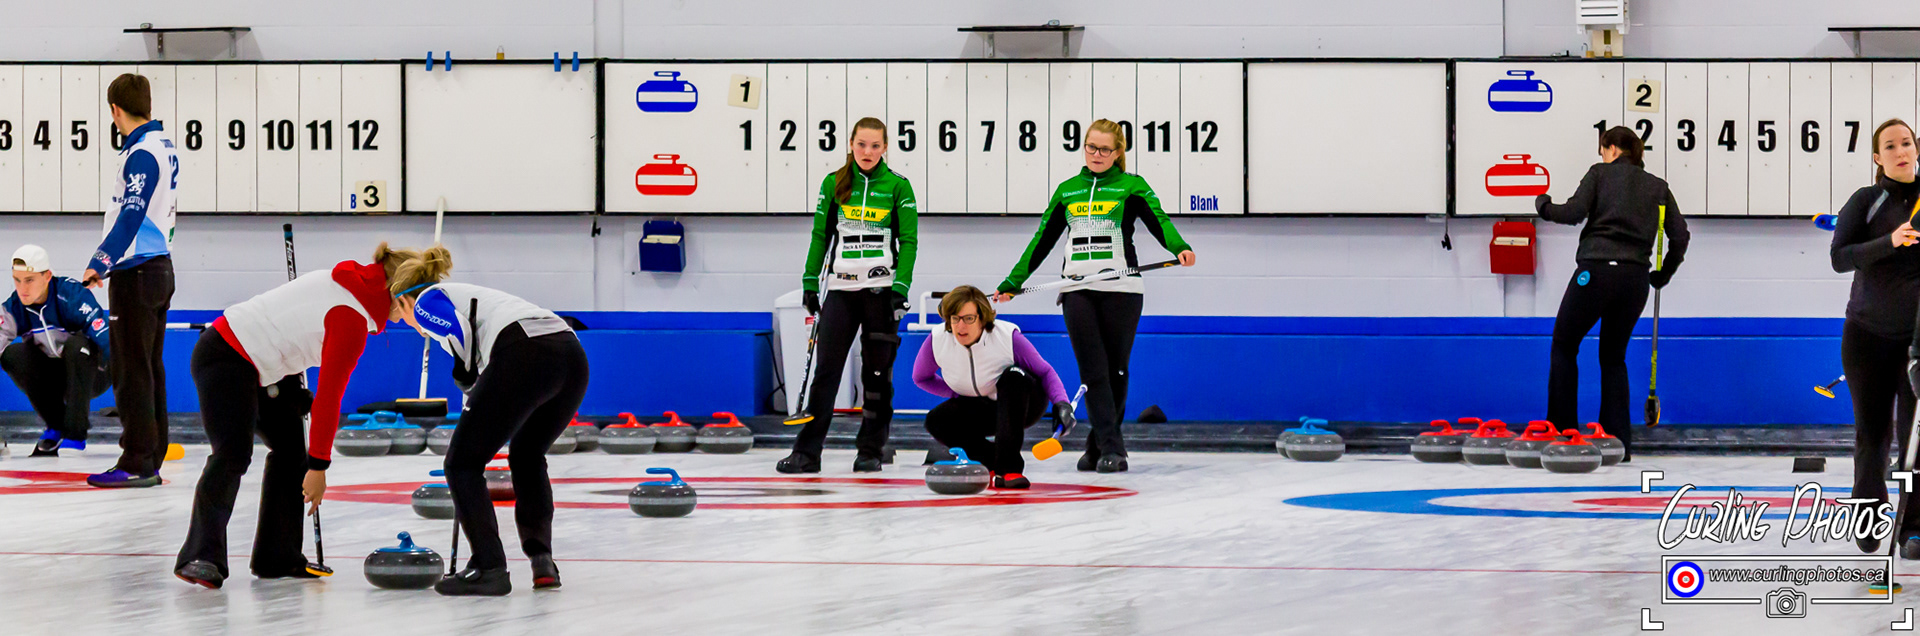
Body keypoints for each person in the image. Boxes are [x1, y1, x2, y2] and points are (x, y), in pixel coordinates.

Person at [174, 243, 422, 589]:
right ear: (399, 295)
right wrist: (319, 468)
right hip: (226, 354)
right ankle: (199, 556)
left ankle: (277, 556)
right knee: (233, 453)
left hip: (269, 368)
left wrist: (294, 397)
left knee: (291, 453)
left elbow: (292, 336)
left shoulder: (353, 291)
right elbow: (329, 400)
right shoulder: (350, 317)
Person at [993, 119, 1196, 473]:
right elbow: (1042, 240)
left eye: (1104, 149)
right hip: (1077, 290)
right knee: (1093, 372)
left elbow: (1159, 221)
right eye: (1091, 147)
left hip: (1122, 289)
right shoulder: (1068, 191)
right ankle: (1113, 449)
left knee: (1116, 371)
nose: (1097, 154)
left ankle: (1096, 445)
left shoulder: (1132, 187)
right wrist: (1013, 281)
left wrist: (1179, 247)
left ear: (1118, 152)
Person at [398, 269, 587, 596]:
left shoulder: (425, 300)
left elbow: (460, 333)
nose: (404, 321)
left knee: (461, 464)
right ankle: (542, 560)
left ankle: (489, 567)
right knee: (527, 454)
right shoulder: (474, 297)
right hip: (571, 355)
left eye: (398, 314)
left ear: (404, 300)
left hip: (526, 351)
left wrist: (464, 374)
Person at [1534, 126, 1690, 461]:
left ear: (1614, 149)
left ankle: (1562, 433)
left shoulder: (1600, 174)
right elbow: (1680, 236)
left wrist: (1543, 206)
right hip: (1635, 280)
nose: (1602, 156)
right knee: (1613, 357)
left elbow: (1573, 213)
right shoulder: (1658, 187)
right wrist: (1663, 274)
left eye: (1603, 150)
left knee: (1564, 345)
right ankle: (1618, 443)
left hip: (1596, 271)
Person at [781, 116, 919, 474]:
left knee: (877, 376)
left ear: (885, 147)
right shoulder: (834, 183)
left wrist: (900, 288)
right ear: (851, 144)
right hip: (841, 291)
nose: (867, 152)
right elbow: (820, 236)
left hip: (880, 294)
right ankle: (806, 453)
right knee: (826, 373)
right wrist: (810, 283)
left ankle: (871, 451)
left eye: (875, 145)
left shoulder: (898, 186)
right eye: (861, 144)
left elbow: (909, 242)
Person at [83, 73, 178, 488]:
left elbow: (132, 212)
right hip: (158, 270)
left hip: (136, 271)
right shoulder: (163, 145)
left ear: (115, 110)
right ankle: (151, 454)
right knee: (149, 366)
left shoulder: (142, 152)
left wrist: (101, 260)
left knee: (131, 369)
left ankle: (137, 459)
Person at [1830, 118, 1920, 555]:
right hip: (1867, 337)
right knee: (1872, 434)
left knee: (1916, 438)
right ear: (1877, 157)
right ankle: (1868, 517)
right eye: (1890, 146)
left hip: (1917, 342)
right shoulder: (1866, 201)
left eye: (1906, 143)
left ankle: (1913, 528)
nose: (1900, 152)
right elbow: (1840, 258)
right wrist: (1891, 241)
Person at [912, 286, 1073, 489]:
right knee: (937, 420)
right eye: (955, 318)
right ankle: (990, 462)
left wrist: (1062, 404)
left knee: (1013, 376)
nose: (961, 326)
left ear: (982, 318)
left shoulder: (1006, 336)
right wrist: (956, 392)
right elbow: (921, 378)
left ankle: (1010, 469)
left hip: (1023, 403)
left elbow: (1045, 372)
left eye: (968, 318)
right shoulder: (938, 339)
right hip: (983, 407)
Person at [1, 245, 111, 456]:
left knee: (77, 345)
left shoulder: (72, 296)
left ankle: (75, 434)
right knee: (12, 355)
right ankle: (56, 427)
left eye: (29, 280)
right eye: (17, 280)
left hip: (94, 373)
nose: (22, 288)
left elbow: (106, 340)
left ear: (47, 276)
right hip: (54, 379)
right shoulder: (14, 307)